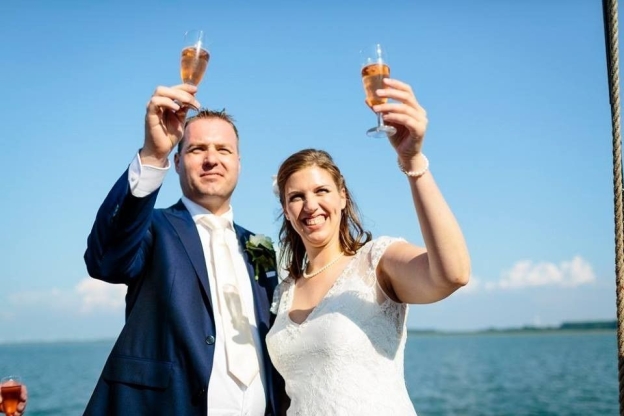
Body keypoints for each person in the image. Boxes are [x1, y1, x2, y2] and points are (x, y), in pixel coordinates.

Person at [266, 78, 471, 415]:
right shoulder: (285, 289)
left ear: (342, 197)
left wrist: (414, 163)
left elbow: (453, 274)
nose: (310, 205)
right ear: (287, 212)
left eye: (321, 191)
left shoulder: (376, 262)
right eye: (296, 197)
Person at [83, 84, 286, 415]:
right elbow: (105, 260)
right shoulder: (151, 228)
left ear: (239, 163)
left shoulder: (260, 246)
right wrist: (152, 155)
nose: (211, 159)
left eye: (223, 149)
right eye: (196, 150)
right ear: (177, 161)